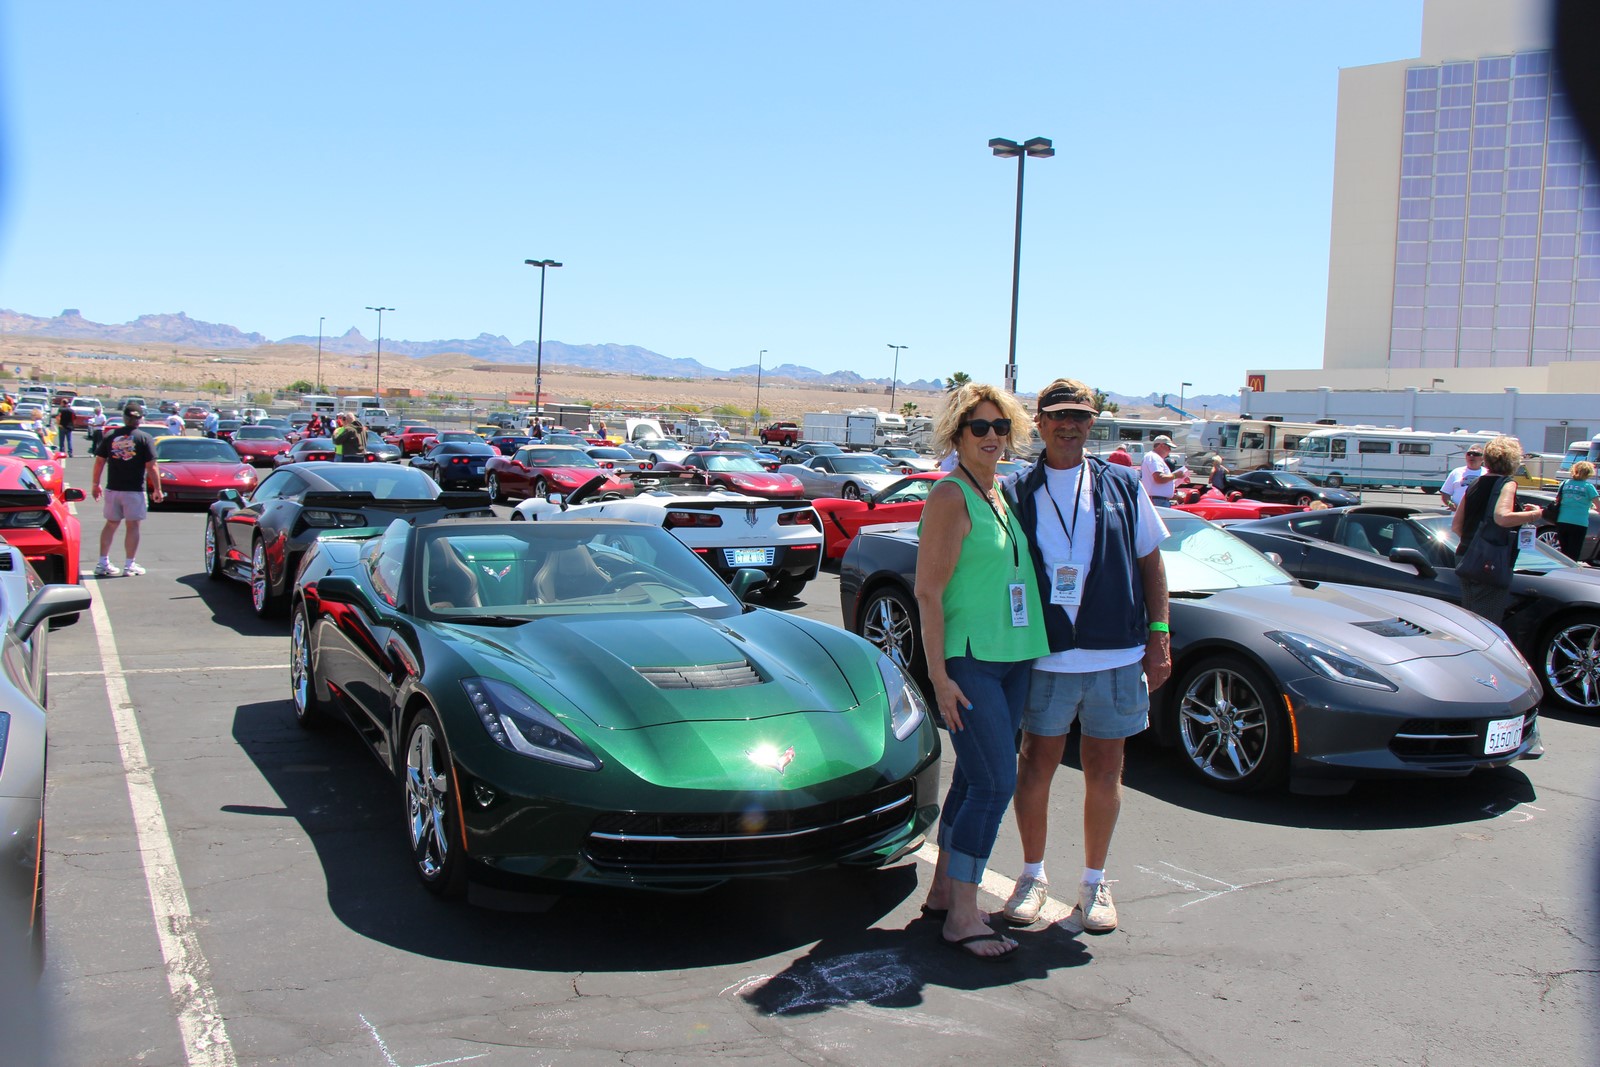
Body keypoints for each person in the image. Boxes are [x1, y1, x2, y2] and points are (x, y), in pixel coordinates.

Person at [1001, 377, 1171, 934]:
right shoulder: (1017, 492)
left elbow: (1151, 563)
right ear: (1040, 423)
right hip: (1047, 657)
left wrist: (1159, 635)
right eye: (1058, 416)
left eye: (1080, 416)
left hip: (1115, 655)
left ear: (1091, 424)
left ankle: (1095, 885)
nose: (1069, 424)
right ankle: (1031, 876)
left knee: (1105, 771)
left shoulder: (1122, 484)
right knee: (1036, 768)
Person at [915, 383, 1048, 960]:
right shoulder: (951, 496)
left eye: (1001, 427)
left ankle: (945, 891)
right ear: (957, 435)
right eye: (979, 428)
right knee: (996, 783)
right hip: (971, 661)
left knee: (973, 780)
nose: (992, 437)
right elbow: (927, 592)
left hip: (1014, 657)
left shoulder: (998, 493)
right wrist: (939, 676)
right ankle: (963, 917)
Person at [1451, 435, 1542, 624]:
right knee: (1487, 622)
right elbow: (1502, 517)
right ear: (1512, 460)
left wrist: (1476, 545)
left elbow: (1456, 526)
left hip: (1465, 556)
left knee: (1470, 617)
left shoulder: (1475, 483)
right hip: (1490, 563)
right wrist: (1535, 515)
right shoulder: (1507, 483)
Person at [90, 404, 163, 577]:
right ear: (140, 419)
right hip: (134, 490)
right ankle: (129, 564)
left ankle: (102, 562)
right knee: (133, 525)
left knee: (111, 523)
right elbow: (152, 466)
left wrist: (95, 484)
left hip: (113, 488)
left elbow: (100, 461)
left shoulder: (110, 436)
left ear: (124, 418)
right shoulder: (144, 438)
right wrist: (158, 489)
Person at [1551, 460, 1600, 561]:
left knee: (1564, 552)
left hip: (1562, 521)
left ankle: (1561, 572)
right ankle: (1570, 573)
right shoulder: (1588, 487)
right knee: (1574, 552)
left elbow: (1558, 500)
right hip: (1579, 522)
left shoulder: (1564, 484)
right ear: (1588, 473)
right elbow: (1598, 505)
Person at [1139, 434, 1188, 505]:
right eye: (1169, 447)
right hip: (1157, 500)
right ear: (1161, 445)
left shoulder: (1154, 457)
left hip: (1158, 499)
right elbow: (1159, 478)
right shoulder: (1154, 457)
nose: (1170, 450)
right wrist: (1175, 476)